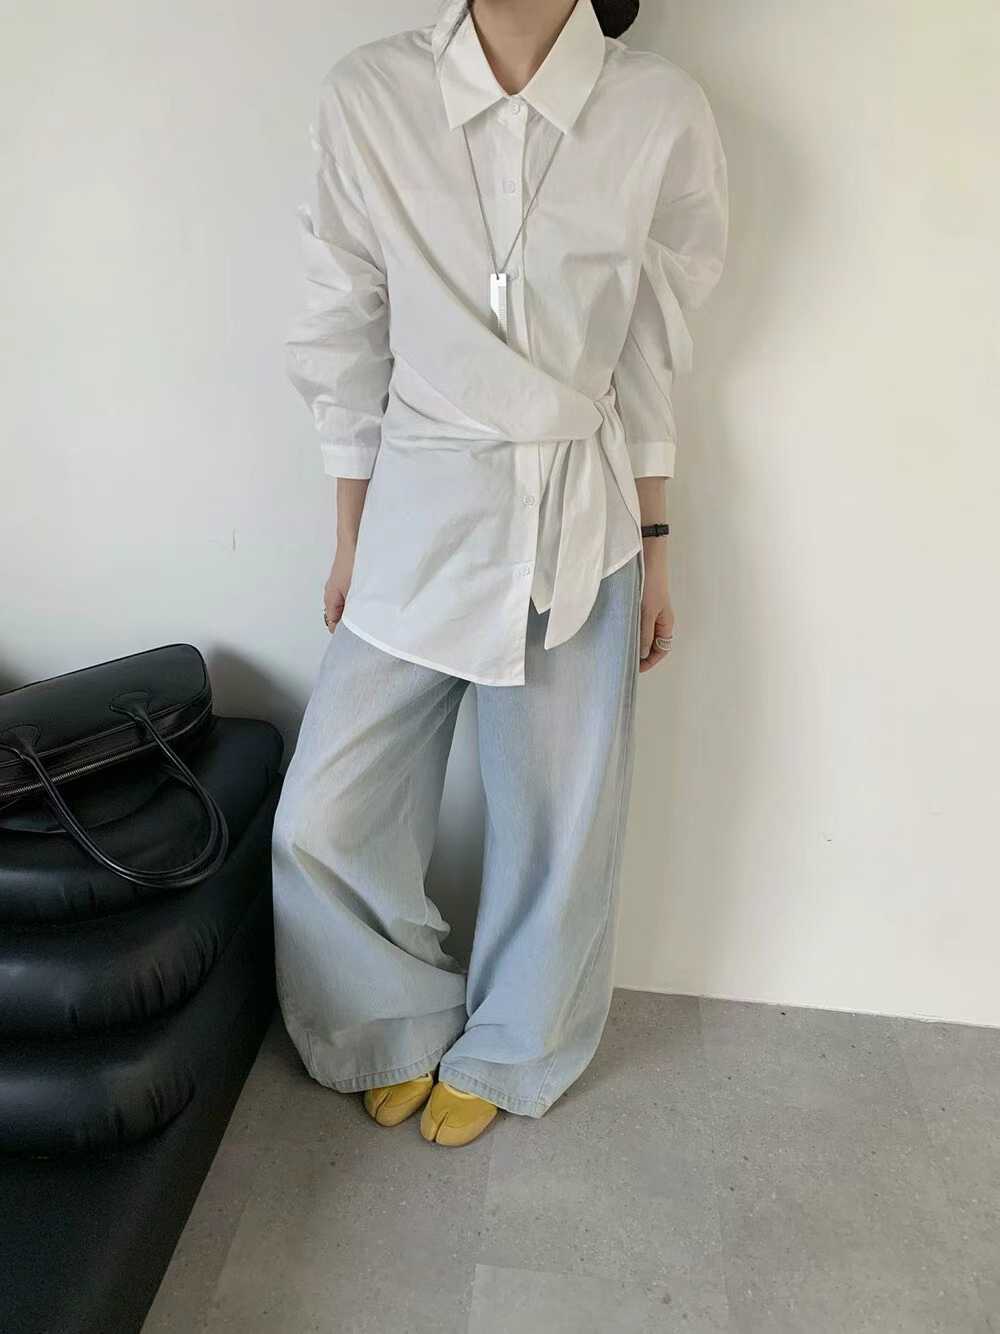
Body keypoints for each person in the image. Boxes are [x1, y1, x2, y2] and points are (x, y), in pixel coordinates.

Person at [271, 0, 728, 1147]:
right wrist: (350, 532)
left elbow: (647, 350)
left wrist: (656, 544)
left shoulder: (658, 110)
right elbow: (344, 322)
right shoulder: (371, 93)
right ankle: (389, 1016)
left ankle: (516, 1043)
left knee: (560, 820)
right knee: (324, 813)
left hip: (581, 508)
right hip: (420, 502)